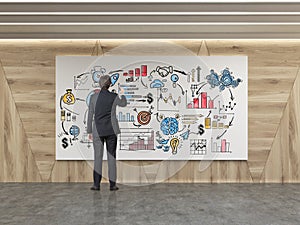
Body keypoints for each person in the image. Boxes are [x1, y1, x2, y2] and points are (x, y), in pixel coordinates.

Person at [90, 75, 127, 191]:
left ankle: (96, 185)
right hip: (111, 131)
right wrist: (122, 93)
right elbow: (123, 104)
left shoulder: (93, 97)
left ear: (100, 84)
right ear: (110, 84)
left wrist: (89, 131)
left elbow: (90, 115)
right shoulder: (114, 96)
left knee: (97, 158)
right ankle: (112, 185)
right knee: (111, 158)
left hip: (97, 131)